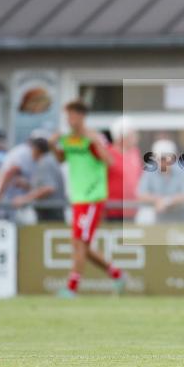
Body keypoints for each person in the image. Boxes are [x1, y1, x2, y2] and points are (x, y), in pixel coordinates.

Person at [53, 100, 124, 297]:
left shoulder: (93, 137)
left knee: (79, 243)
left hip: (93, 196)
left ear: (82, 116)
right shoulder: (68, 139)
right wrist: (53, 145)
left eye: (73, 115)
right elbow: (61, 159)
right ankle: (116, 273)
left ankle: (71, 288)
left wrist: (95, 144)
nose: (70, 120)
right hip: (78, 197)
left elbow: (110, 161)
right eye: (67, 116)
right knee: (79, 244)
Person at [0, 129, 46, 221]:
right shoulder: (25, 153)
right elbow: (8, 174)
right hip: (10, 206)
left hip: (15, 205)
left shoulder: (26, 152)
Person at [137, 139, 184, 223]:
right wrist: (158, 200)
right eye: (160, 159)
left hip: (183, 222)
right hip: (160, 222)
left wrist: (166, 201)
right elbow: (141, 194)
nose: (164, 162)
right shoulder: (149, 170)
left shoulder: (183, 170)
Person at [12, 135, 66, 222]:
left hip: (50, 214)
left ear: (36, 149)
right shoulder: (49, 160)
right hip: (52, 212)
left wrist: (25, 199)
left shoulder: (44, 163)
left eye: (31, 149)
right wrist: (27, 185)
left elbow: (49, 188)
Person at [105, 117, 142, 222]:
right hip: (112, 211)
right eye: (132, 134)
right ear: (122, 136)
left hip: (131, 210)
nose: (136, 137)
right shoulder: (108, 153)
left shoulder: (135, 152)